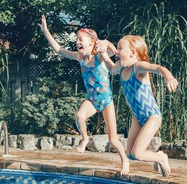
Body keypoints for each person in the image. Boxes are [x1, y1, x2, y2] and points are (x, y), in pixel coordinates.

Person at [39, 15, 130, 175]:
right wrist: (46, 32)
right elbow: (59, 49)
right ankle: (85, 138)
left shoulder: (99, 56)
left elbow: (113, 69)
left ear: (91, 41)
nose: (77, 42)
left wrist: (115, 55)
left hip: (106, 100)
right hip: (92, 100)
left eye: (80, 39)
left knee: (113, 139)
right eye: (77, 39)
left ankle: (125, 161)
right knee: (80, 115)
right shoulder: (79, 57)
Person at [100, 35, 178, 176]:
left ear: (133, 52)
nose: (116, 52)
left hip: (152, 116)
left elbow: (158, 68)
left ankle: (161, 157)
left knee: (138, 153)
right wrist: (103, 53)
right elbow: (111, 69)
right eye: (116, 48)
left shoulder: (138, 67)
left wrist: (169, 77)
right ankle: (157, 155)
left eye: (120, 48)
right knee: (130, 154)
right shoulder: (122, 68)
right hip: (138, 117)